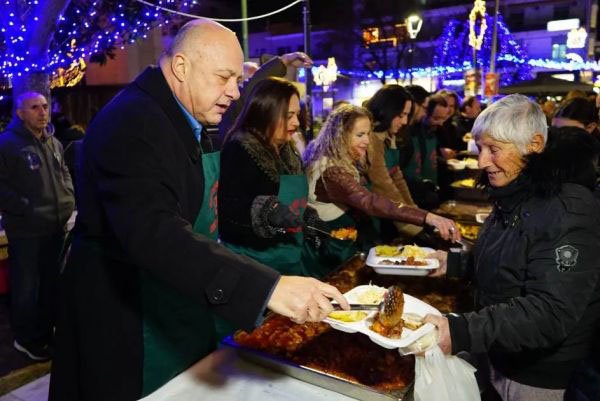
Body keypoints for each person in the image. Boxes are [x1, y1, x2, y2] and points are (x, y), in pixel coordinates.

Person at [49, 19, 348, 401]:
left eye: (237, 80)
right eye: (224, 78)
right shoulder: (134, 123)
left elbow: (245, 90)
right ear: (181, 68)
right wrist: (267, 288)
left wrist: (278, 65)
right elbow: (153, 231)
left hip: (172, 291)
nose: (233, 93)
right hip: (124, 308)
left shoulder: (184, 108)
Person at [424, 95, 600, 401]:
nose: (482, 161)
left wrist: (465, 331)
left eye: (494, 149)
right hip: (502, 353)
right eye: (480, 148)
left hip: (539, 373)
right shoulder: (515, 192)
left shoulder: (569, 210)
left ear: (533, 145)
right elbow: (514, 259)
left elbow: (550, 311)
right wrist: (456, 264)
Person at [302, 104, 459, 276]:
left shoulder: (336, 158)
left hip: (338, 242)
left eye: (368, 134)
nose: (367, 141)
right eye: (360, 135)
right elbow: (369, 201)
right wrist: (427, 217)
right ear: (341, 135)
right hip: (327, 251)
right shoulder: (332, 170)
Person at [0, 92, 75, 361]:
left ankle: (44, 334)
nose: (43, 112)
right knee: (27, 288)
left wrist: (68, 196)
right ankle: (26, 339)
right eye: (34, 108)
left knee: (49, 285)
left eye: (45, 107)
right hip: (28, 229)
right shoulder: (8, 144)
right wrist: (24, 207)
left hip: (55, 225)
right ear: (20, 113)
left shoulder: (52, 141)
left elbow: (63, 173)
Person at [219, 77, 306, 276]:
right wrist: (268, 212)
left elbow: (292, 201)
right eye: (289, 115)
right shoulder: (241, 149)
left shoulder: (287, 148)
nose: (296, 122)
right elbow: (230, 213)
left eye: (297, 115)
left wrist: (306, 213)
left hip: (289, 260)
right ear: (267, 112)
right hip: (255, 267)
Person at [364, 85, 422, 240]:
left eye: (407, 115)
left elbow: (397, 177)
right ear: (387, 110)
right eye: (401, 115)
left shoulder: (389, 136)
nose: (404, 121)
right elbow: (383, 185)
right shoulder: (372, 138)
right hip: (366, 215)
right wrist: (411, 224)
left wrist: (415, 213)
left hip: (384, 210)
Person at [402, 94, 449, 209]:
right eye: (436, 118)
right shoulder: (409, 135)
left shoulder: (435, 131)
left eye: (443, 118)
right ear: (425, 112)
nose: (440, 123)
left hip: (430, 191)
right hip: (414, 196)